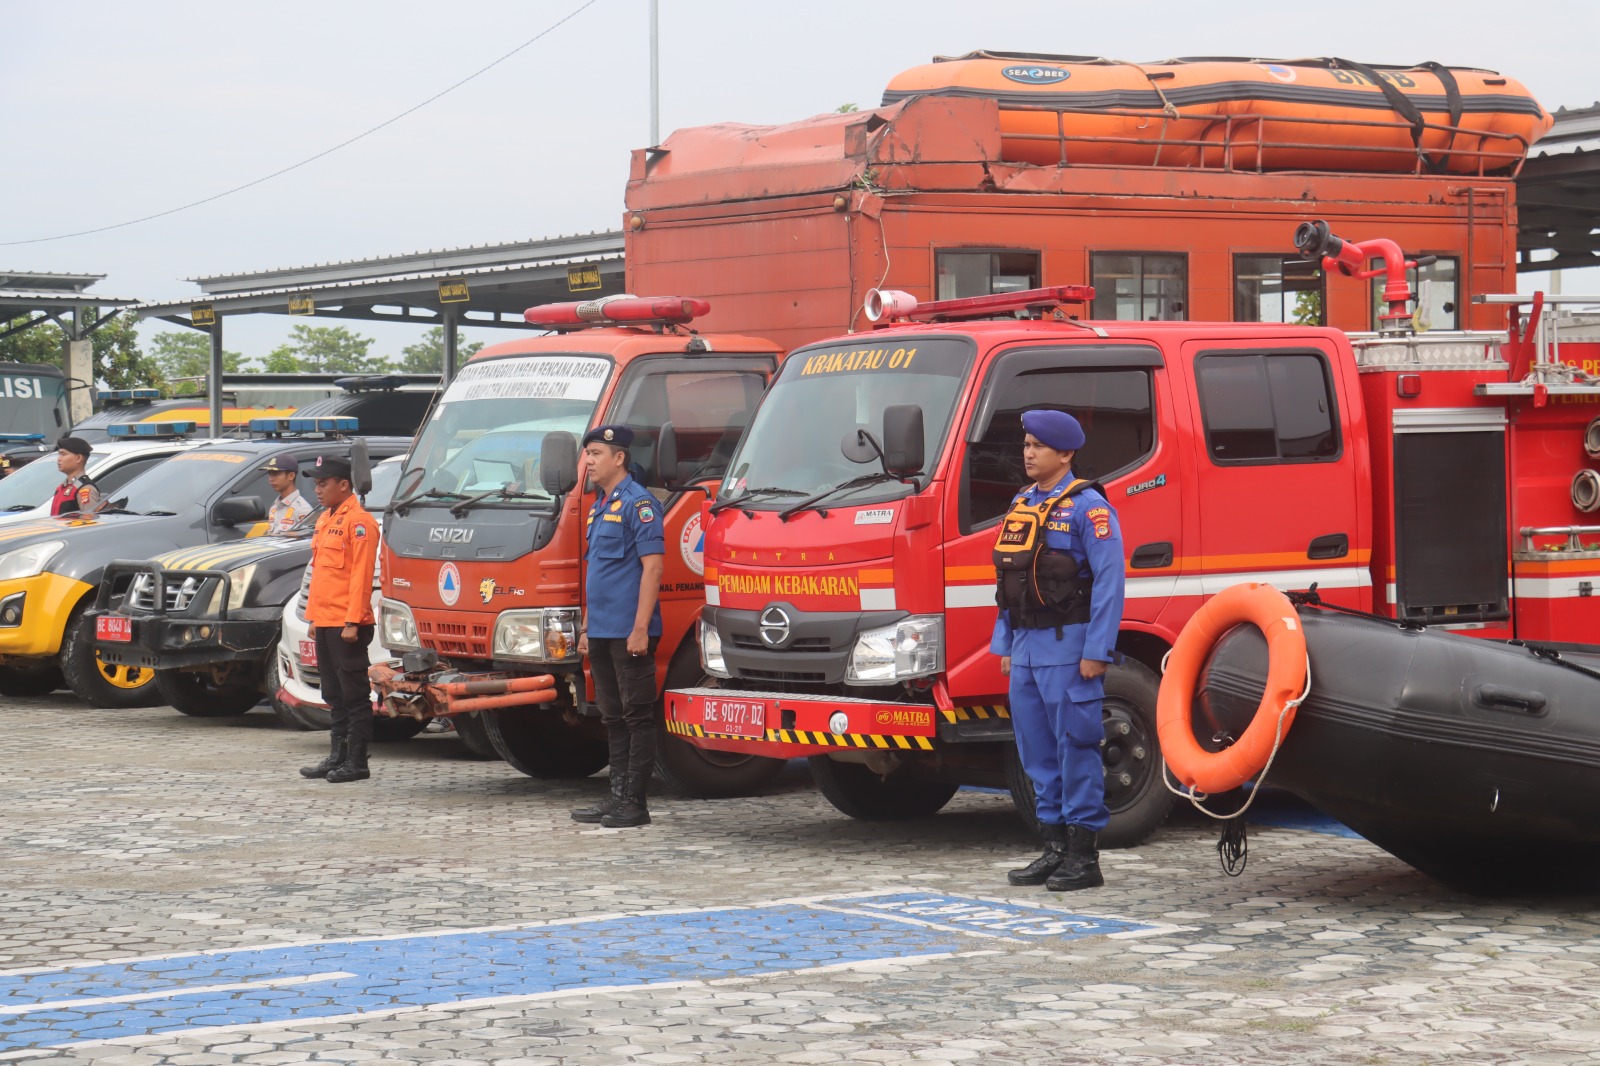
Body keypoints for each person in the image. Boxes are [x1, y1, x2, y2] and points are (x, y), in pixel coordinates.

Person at [991, 409, 1125, 892]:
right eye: (1026, 444)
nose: (1028, 453)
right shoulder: (1021, 502)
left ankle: (1083, 857)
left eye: (1038, 446)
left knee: (1077, 748)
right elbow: (1010, 579)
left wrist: (1098, 650)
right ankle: (1052, 848)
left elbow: (1111, 583)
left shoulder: (1090, 508)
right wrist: (1006, 642)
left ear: (1065, 453)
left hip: (1070, 649)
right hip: (1026, 649)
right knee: (1036, 752)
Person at [569, 424, 664, 829]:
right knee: (611, 716)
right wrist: (588, 627)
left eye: (594, 453)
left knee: (637, 715)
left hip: (630, 631)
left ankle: (635, 803)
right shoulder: (599, 505)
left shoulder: (639, 504)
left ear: (618, 457)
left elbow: (653, 567)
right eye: (587, 454)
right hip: (604, 630)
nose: (587, 462)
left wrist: (640, 628)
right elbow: (598, 573)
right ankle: (617, 796)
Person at [297, 453, 379, 784]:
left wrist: (353, 621)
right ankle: (337, 756)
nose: (317, 490)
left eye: (323, 483)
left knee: (354, 694)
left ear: (344, 485)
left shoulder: (359, 523)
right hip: (327, 621)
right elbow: (320, 577)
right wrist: (314, 618)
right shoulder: (326, 519)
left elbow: (361, 576)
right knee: (333, 692)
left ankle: (357, 761)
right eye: (315, 484)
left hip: (348, 624)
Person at [262, 452, 313, 533]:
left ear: (291, 476)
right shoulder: (274, 506)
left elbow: (306, 541)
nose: (271, 479)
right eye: (270, 474)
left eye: (276, 474)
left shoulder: (302, 509)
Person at [50, 436, 102, 516]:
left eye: (63, 454)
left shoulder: (85, 489)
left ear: (78, 458)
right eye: (59, 454)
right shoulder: (64, 486)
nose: (59, 459)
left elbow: (89, 523)